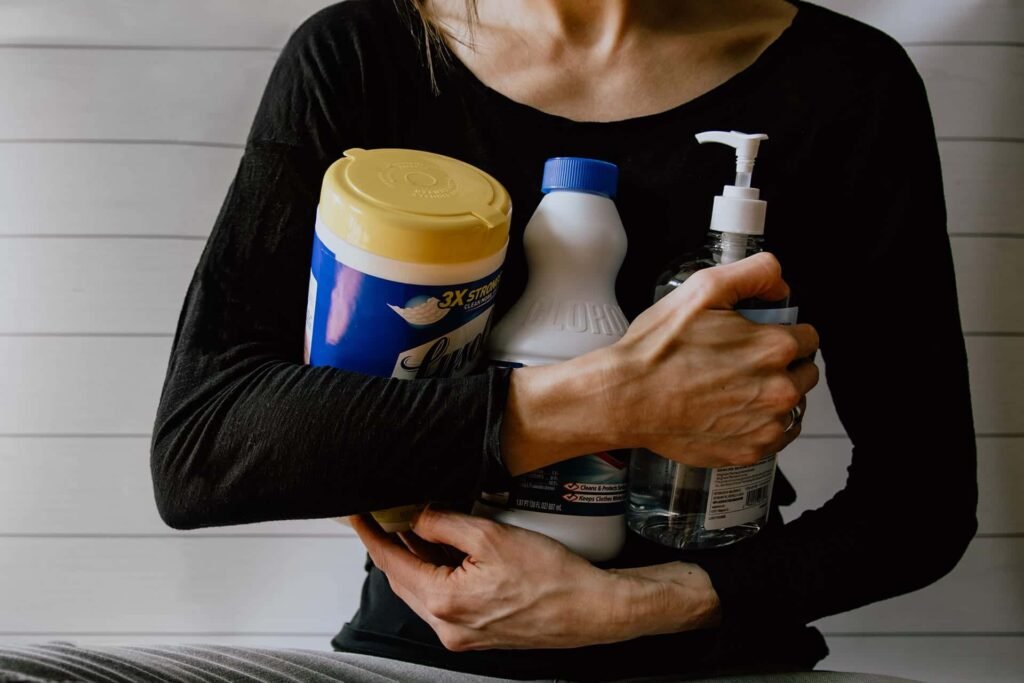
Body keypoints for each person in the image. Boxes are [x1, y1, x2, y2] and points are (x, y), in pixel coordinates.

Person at [0, 1, 976, 682]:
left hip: (722, 657)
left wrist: (636, 604)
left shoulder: (846, 84)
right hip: (426, 655)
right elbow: (205, 449)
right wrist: (608, 401)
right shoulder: (364, 55)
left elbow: (922, 504)